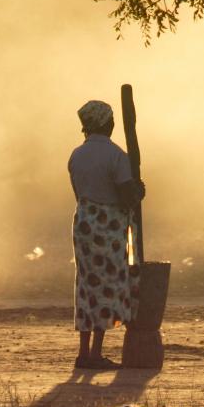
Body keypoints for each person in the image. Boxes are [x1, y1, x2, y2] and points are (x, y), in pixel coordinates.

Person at [68, 100, 145, 368]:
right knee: (105, 286)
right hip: (108, 226)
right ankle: (96, 355)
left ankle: (83, 353)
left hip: (84, 223)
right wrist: (139, 192)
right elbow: (126, 197)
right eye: (111, 121)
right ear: (106, 124)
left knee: (86, 285)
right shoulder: (116, 155)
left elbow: (79, 194)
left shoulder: (76, 155)